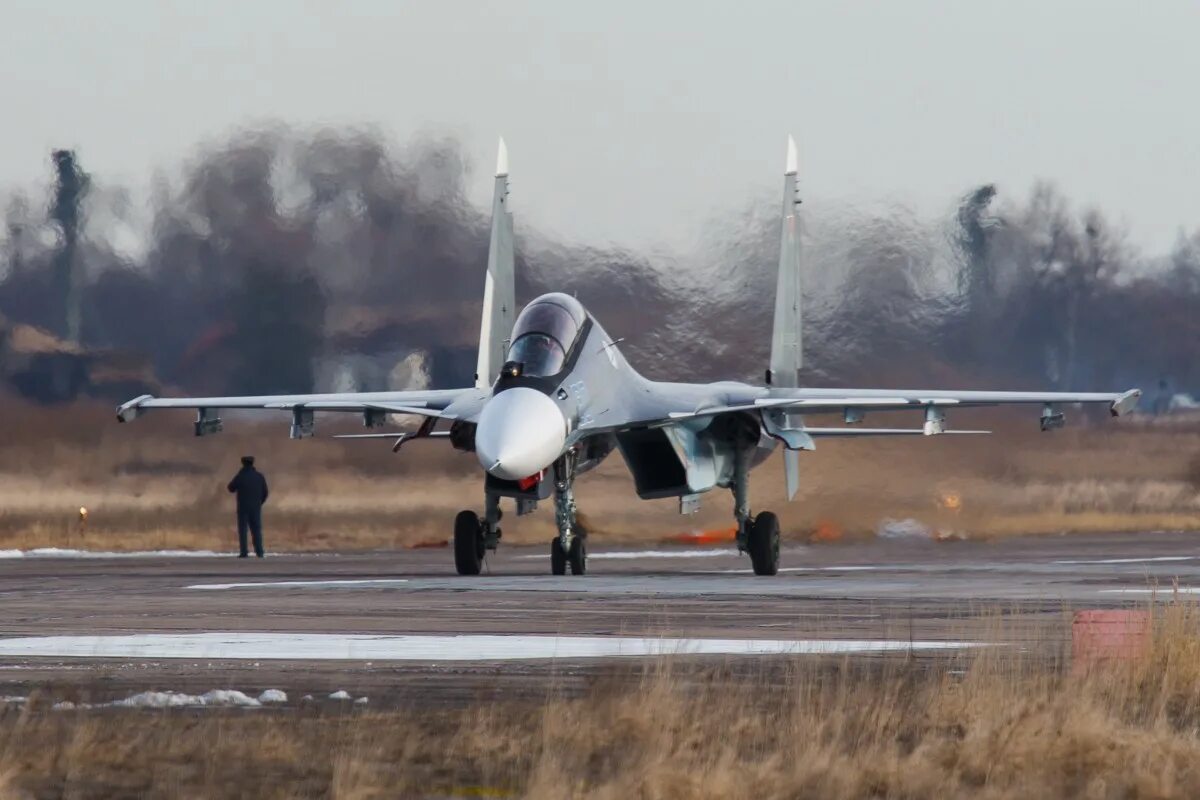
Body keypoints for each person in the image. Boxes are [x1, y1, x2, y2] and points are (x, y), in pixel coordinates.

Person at [227, 456, 269, 558]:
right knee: (256, 530)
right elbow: (265, 492)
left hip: (243, 507)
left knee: (243, 530)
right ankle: (259, 552)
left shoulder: (241, 476)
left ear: (243, 463)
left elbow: (230, 488)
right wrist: (259, 502)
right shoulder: (259, 476)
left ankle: (244, 552)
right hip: (255, 507)